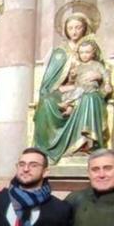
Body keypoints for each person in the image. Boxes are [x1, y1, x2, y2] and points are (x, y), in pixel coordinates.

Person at [33, 10, 111, 163]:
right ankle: (45, 152)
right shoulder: (60, 52)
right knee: (47, 102)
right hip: (63, 90)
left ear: (84, 28)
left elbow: (102, 73)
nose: (74, 31)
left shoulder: (93, 49)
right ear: (65, 31)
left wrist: (100, 77)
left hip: (87, 90)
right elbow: (50, 82)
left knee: (88, 98)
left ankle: (84, 145)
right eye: (70, 28)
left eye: (78, 27)